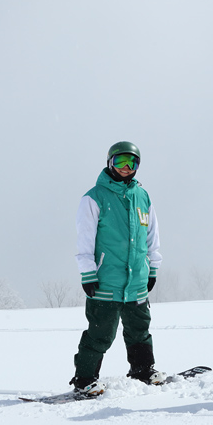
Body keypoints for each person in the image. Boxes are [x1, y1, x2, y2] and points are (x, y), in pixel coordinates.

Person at [71, 141, 165, 398]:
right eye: (120, 161)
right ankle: (85, 378)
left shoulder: (142, 196)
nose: (126, 167)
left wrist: (153, 267)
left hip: (136, 280)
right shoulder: (94, 197)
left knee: (139, 329)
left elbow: (151, 236)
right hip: (106, 280)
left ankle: (142, 370)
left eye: (131, 163)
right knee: (100, 333)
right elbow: (85, 239)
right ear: (110, 162)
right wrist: (87, 272)